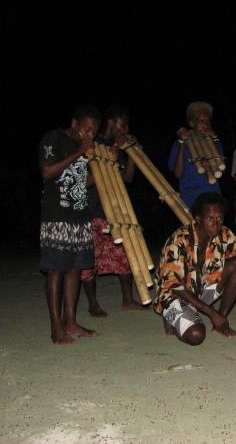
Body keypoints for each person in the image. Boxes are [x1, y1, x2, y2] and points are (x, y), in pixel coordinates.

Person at [153, 192, 236, 346]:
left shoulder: (224, 234)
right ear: (198, 219)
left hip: (199, 291)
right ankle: (172, 317)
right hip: (174, 295)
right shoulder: (180, 240)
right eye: (210, 219)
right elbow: (174, 286)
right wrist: (211, 312)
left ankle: (218, 322)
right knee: (196, 335)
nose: (216, 224)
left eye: (219, 218)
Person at [38, 104, 100, 344]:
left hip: (79, 216)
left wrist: (108, 167)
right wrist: (78, 153)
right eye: (87, 129)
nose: (90, 135)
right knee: (56, 269)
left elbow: (83, 183)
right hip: (56, 216)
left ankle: (70, 321)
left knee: (75, 269)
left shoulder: (86, 147)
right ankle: (56, 326)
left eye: (94, 131)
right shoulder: (53, 138)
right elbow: (47, 172)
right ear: (75, 124)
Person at [80, 105, 146, 317]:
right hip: (92, 208)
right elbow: (84, 181)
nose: (125, 129)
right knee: (89, 259)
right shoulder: (91, 143)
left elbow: (128, 177)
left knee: (126, 253)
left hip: (117, 211)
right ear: (110, 122)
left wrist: (130, 153)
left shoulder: (116, 146)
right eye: (122, 123)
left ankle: (128, 299)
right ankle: (92, 304)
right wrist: (106, 160)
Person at [168, 101, 223, 208]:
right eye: (201, 121)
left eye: (208, 122)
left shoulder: (215, 142)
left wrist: (209, 164)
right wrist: (182, 143)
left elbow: (220, 171)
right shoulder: (179, 144)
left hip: (212, 197)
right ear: (192, 124)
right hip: (190, 199)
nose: (205, 125)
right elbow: (178, 174)